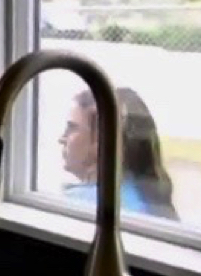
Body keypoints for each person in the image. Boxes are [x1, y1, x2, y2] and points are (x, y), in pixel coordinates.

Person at [59, 87, 179, 221]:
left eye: (72, 128)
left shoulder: (79, 205)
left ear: (101, 139)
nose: (62, 138)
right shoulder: (150, 200)